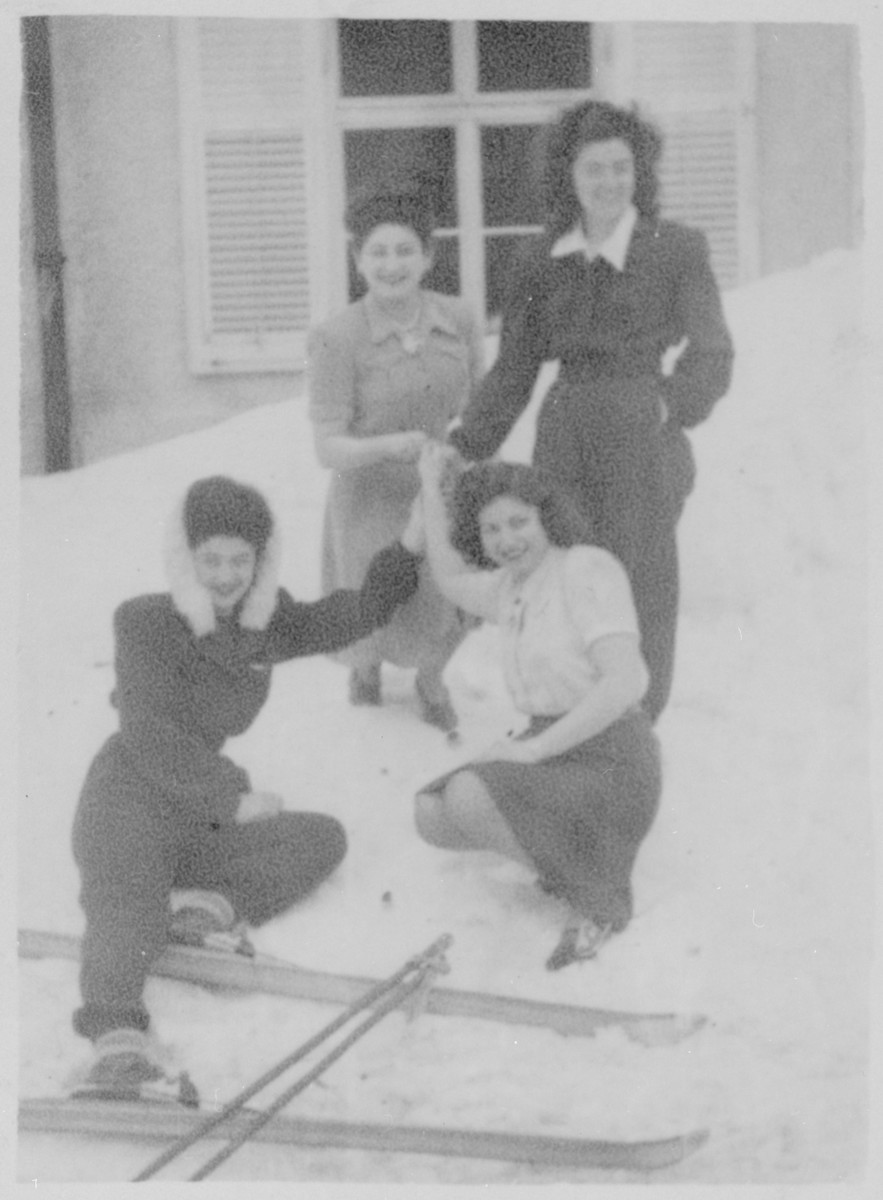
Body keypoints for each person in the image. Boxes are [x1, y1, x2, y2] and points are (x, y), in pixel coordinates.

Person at [70, 475, 421, 1102]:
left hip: (196, 810)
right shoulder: (145, 621)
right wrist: (229, 802)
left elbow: (343, 616)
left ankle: (202, 911)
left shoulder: (265, 622)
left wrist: (411, 549)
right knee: (125, 900)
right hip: (130, 792)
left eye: (241, 559)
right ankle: (117, 1045)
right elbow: (149, 733)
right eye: (211, 560)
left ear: (261, 560)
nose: (226, 575)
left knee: (320, 838)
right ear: (186, 558)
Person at [448, 99, 734, 722]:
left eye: (621, 168)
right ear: (567, 177)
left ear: (640, 172)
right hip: (567, 435)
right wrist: (467, 441)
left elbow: (713, 355)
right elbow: (516, 367)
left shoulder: (675, 249)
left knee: (640, 581)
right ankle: (567, 716)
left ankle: (635, 723)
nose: (609, 183)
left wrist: (668, 404)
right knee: (566, 578)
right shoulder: (538, 259)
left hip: (642, 434)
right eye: (593, 170)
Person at [411, 444, 661, 971]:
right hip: (554, 750)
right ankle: (569, 864)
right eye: (490, 530)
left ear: (547, 516)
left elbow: (625, 682)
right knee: (432, 815)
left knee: (468, 794)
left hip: (613, 755)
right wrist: (431, 486)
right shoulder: (511, 587)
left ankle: (597, 897)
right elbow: (451, 579)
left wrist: (536, 750)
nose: (506, 540)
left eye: (518, 522)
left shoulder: (586, 568)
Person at [308, 183, 485, 732]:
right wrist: (388, 446)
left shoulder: (460, 318)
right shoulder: (336, 337)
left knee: (451, 594)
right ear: (357, 259)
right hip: (368, 494)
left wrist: (467, 454)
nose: (392, 265)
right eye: (378, 252)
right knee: (373, 597)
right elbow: (326, 446)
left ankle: (432, 681)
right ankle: (365, 670)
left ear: (429, 256)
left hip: (442, 484)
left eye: (405, 250)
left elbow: (481, 407)